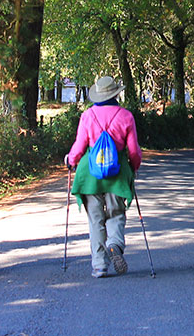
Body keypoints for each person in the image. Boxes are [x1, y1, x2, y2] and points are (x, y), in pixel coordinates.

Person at [65, 76, 142, 278]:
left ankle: (100, 265)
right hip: (117, 173)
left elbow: (80, 146)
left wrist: (71, 160)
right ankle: (115, 244)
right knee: (116, 213)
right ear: (115, 94)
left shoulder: (88, 116)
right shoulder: (126, 116)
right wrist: (134, 167)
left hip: (90, 175)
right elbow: (133, 150)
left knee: (96, 220)